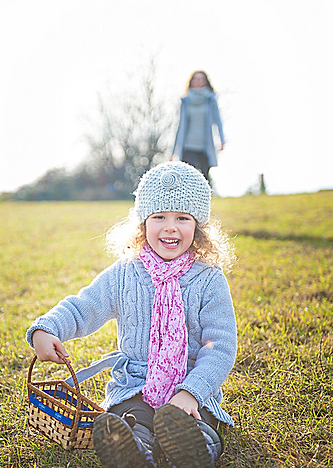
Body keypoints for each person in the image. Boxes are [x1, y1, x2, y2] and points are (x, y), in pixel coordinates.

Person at [26, 161, 237, 468]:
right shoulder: (126, 273)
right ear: (143, 223)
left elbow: (221, 346)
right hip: (137, 381)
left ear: (198, 226)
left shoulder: (209, 279)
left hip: (191, 385)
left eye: (182, 218)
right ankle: (134, 448)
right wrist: (47, 329)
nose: (170, 227)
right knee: (131, 415)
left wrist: (192, 392)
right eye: (159, 217)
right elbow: (84, 306)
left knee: (197, 420)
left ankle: (196, 448)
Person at [172, 71, 225, 182]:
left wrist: (222, 139)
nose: (198, 81)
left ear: (206, 81)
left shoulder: (210, 100)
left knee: (205, 178)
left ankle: (205, 199)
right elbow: (179, 126)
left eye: (201, 79)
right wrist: (173, 150)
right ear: (191, 82)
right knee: (188, 178)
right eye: (196, 79)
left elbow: (217, 120)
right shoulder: (185, 101)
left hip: (205, 145)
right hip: (188, 145)